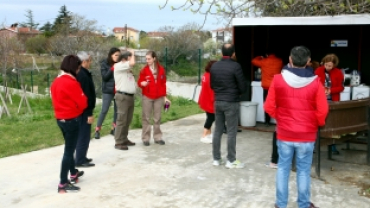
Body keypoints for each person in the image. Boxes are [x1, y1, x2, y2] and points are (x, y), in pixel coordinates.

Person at [264, 46, 328, 208]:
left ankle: (280, 204)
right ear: (308, 62)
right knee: (303, 171)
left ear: (290, 60)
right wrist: (316, 123)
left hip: (284, 133)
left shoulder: (278, 79)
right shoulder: (316, 82)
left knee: (283, 169)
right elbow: (323, 110)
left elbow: (269, 106)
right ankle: (304, 204)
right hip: (307, 135)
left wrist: (282, 118)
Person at [51, 55, 88, 193]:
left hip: (60, 119)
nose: (79, 71)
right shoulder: (72, 83)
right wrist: (78, 106)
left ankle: (73, 173)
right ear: (74, 68)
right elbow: (83, 102)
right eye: (78, 68)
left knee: (69, 147)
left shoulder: (56, 81)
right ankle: (63, 183)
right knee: (68, 152)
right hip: (71, 120)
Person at [210, 43, 247, 169]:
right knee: (231, 132)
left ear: (221, 53)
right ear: (233, 54)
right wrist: (237, 92)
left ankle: (216, 159)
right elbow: (242, 86)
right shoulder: (236, 66)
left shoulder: (214, 66)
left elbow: (211, 85)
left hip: (218, 101)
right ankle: (230, 160)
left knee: (218, 130)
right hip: (231, 102)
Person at [138, 51, 170, 146]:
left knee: (157, 118)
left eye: (149, 59)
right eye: (146, 59)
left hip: (159, 97)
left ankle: (158, 137)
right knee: (146, 118)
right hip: (147, 96)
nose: (147, 61)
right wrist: (142, 84)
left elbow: (163, 83)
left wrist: (165, 97)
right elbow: (139, 82)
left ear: (154, 58)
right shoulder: (144, 70)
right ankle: (146, 138)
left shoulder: (161, 69)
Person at [315, 53, 344, 155]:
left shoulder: (338, 72)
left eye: (330, 66)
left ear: (334, 65)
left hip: (332, 99)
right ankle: (315, 145)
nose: (327, 67)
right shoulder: (318, 70)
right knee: (317, 122)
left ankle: (332, 145)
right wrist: (321, 89)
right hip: (320, 100)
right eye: (326, 65)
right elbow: (314, 84)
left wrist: (330, 90)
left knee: (332, 123)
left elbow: (341, 87)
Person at [75, 51, 96, 167]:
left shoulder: (83, 73)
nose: (90, 62)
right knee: (83, 135)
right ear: (84, 62)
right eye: (89, 60)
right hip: (84, 111)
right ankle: (79, 160)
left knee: (85, 134)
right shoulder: (82, 75)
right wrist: (89, 113)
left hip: (84, 110)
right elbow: (85, 95)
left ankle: (82, 156)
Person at [94, 48, 120, 139]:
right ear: (111, 55)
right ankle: (97, 130)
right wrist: (112, 68)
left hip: (118, 90)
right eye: (116, 55)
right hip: (107, 91)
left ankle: (114, 128)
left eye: (118, 55)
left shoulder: (120, 63)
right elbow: (105, 77)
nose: (117, 57)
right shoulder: (104, 63)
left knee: (117, 110)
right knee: (104, 110)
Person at [251, 52, 283, 126]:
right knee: (277, 103)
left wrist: (260, 56)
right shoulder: (279, 61)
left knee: (267, 103)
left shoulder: (264, 61)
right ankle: (278, 121)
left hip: (266, 86)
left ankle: (267, 121)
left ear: (267, 54)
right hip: (276, 85)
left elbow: (253, 61)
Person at [113, 50, 136, 150]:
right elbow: (132, 63)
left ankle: (124, 138)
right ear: (124, 59)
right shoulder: (118, 66)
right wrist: (133, 53)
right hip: (122, 96)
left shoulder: (127, 70)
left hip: (129, 96)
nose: (131, 61)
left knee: (127, 119)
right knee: (121, 119)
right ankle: (118, 142)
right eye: (129, 58)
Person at [198, 60, 217, 144]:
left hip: (204, 100)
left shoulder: (205, 75)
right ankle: (204, 136)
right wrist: (214, 100)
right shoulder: (211, 77)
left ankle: (209, 135)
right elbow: (211, 91)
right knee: (211, 118)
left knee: (209, 117)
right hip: (209, 101)